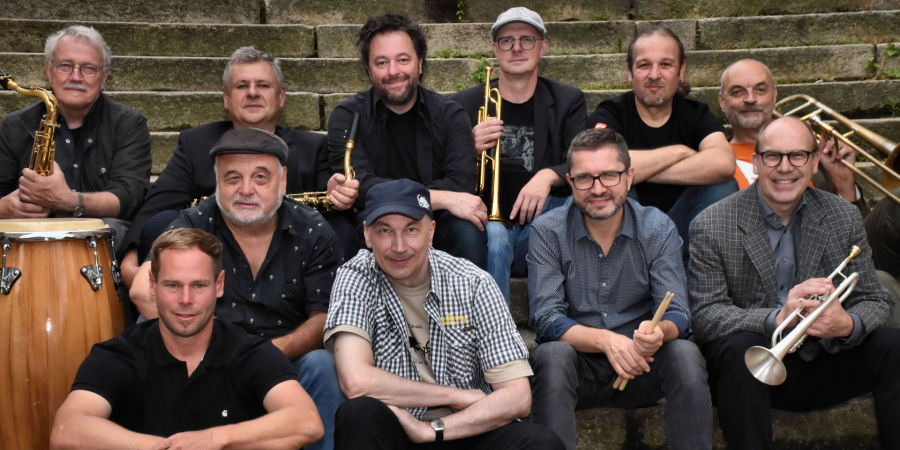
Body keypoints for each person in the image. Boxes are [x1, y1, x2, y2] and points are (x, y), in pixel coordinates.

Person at [688, 116, 900, 449]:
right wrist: (775, 317)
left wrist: (848, 324)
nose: (785, 167)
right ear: (756, 163)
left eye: (797, 156)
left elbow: (876, 299)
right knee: (739, 349)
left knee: (893, 345)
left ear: (815, 163)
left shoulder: (842, 216)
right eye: (773, 156)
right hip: (751, 373)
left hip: (827, 358)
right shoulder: (711, 224)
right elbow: (705, 315)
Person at [128, 128, 344, 450]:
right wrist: (212, 354)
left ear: (283, 180)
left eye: (260, 177)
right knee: (149, 333)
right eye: (232, 178)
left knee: (323, 365)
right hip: (205, 355)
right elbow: (141, 291)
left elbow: (324, 316)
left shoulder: (312, 229)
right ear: (216, 182)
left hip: (284, 358)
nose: (246, 190)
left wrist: (263, 355)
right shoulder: (195, 223)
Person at [323, 178, 563, 449]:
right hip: (398, 429)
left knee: (542, 443)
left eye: (411, 230)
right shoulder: (355, 276)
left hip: (464, 427)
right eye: (385, 231)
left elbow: (518, 398)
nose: (399, 246)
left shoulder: (473, 282)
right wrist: (453, 395)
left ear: (431, 232)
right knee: (358, 415)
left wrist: (431, 430)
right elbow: (356, 382)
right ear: (367, 235)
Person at [49, 227, 323, 449]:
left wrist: (215, 439)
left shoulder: (249, 351)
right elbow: (66, 430)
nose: (185, 299)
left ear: (219, 285)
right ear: (153, 286)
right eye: (172, 285)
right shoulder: (120, 354)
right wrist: (166, 448)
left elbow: (306, 422)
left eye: (198, 285)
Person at [528, 128, 711, 450]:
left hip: (642, 364)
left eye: (609, 176)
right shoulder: (548, 230)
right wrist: (607, 341)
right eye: (585, 178)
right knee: (552, 355)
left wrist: (659, 333)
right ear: (570, 182)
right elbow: (546, 318)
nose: (598, 189)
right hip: (578, 369)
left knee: (685, 353)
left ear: (629, 177)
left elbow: (679, 315)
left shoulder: (657, 227)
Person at [118, 46, 354, 290]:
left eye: (263, 85)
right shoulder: (195, 144)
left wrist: (338, 194)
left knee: (342, 227)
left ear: (281, 96)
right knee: (163, 221)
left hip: (293, 267)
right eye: (242, 86)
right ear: (226, 98)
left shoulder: (313, 148)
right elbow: (156, 209)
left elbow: (335, 205)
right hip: (214, 263)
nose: (252, 93)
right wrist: (129, 264)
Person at [325, 13, 486, 268]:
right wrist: (443, 197)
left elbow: (461, 183)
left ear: (419, 63)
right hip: (374, 223)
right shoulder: (347, 116)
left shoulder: (450, 114)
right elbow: (359, 187)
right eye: (381, 62)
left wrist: (436, 200)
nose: (393, 71)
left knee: (468, 230)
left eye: (403, 60)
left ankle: (465, 296)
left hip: (436, 222)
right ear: (368, 69)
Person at [450, 7, 586, 302]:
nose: (516, 48)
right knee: (496, 237)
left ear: (543, 46)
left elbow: (583, 162)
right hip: (488, 226)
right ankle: (495, 322)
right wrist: (469, 148)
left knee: (566, 215)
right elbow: (442, 168)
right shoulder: (464, 104)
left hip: (544, 220)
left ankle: (549, 317)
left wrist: (547, 176)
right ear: (494, 49)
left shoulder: (567, 100)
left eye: (527, 39)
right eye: (506, 40)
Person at [585, 23, 735, 253]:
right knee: (615, 187)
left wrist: (629, 172)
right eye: (644, 65)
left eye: (665, 64)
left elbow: (723, 163)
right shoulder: (611, 113)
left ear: (681, 70)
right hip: (627, 233)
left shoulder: (697, 114)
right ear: (629, 71)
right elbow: (597, 163)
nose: (654, 75)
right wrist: (679, 152)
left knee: (723, 186)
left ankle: (695, 272)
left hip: (685, 226)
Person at [0, 25, 151, 239]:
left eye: (88, 68)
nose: (76, 77)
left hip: (100, 244)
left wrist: (70, 201)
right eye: (65, 66)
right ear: (48, 70)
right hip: (29, 242)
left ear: (104, 77)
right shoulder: (14, 125)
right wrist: (6, 208)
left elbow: (128, 198)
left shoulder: (129, 124)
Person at [719, 58, 867, 213]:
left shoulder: (816, 154)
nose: (750, 99)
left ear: (774, 95)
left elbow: (858, 227)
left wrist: (844, 185)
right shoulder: (713, 164)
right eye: (737, 92)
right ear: (722, 101)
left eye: (760, 90)